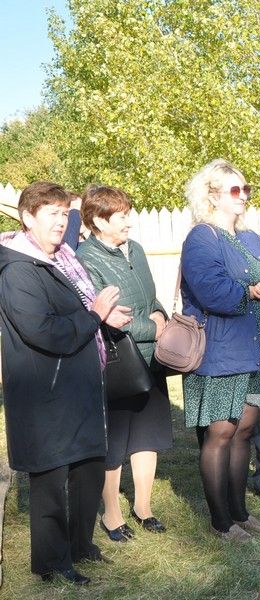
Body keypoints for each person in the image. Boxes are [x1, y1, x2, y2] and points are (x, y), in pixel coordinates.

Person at [0, 181, 131, 584]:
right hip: (46, 392)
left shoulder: (64, 258)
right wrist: (95, 315)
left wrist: (102, 319)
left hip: (81, 380)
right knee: (51, 478)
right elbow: (44, 332)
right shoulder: (17, 269)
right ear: (27, 219)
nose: (61, 222)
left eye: (64, 213)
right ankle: (51, 563)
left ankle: (80, 546)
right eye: (51, 214)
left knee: (89, 466)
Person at [181, 159, 260, 540]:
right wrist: (254, 292)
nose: (243, 196)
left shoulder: (251, 239)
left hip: (259, 350)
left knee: (244, 432)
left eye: (246, 189)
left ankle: (240, 513)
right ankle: (220, 521)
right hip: (223, 349)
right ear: (211, 195)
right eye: (234, 190)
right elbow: (210, 291)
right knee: (221, 433)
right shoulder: (202, 238)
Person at [76, 186, 173, 542]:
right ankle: (113, 515)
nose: (129, 221)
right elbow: (105, 315)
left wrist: (162, 314)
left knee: (147, 435)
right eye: (122, 216)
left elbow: (151, 294)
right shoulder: (86, 258)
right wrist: (155, 328)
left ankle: (143, 508)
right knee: (115, 442)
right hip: (117, 360)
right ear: (99, 220)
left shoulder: (138, 249)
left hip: (151, 360)